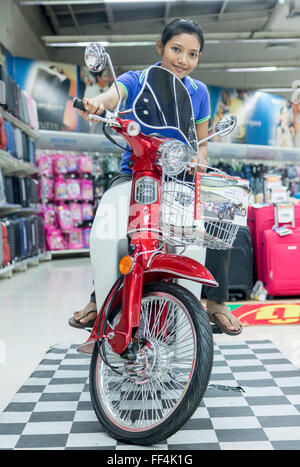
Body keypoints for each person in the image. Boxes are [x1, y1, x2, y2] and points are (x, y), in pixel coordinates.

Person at [71, 17, 243, 336]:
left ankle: (217, 303)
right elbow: (113, 97)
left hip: (179, 177)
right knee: (109, 225)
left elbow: (201, 140)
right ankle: (100, 298)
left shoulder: (199, 91)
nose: (183, 59)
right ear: (160, 47)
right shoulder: (137, 79)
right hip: (137, 172)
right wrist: (97, 104)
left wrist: (200, 161)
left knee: (223, 214)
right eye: (176, 49)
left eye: (192, 54)